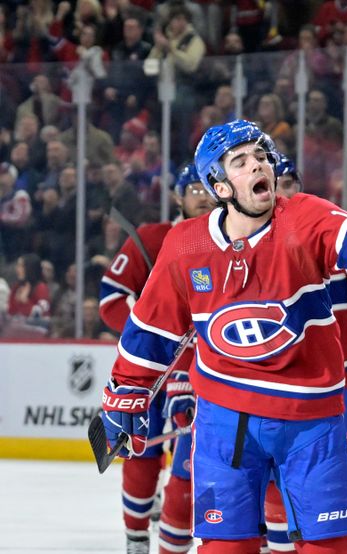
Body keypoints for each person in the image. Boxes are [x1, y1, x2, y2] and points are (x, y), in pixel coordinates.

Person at [99, 119, 347, 553]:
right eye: (240, 161)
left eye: (261, 156)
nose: (258, 166)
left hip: (311, 420)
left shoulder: (307, 217)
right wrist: (126, 389)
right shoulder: (185, 245)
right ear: (218, 187)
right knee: (224, 547)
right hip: (224, 422)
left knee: (332, 548)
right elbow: (152, 329)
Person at [262, 153, 347, 553]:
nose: (284, 189)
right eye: (278, 182)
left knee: (340, 512)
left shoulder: (320, 231)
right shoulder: (248, 248)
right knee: (274, 505)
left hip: (330, 390)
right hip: (271, 395)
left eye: (290, 181)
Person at [99, 163, 215, 554]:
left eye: (207, 188)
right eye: (192, 189)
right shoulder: (151, 237)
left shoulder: (234, 237)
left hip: (209, 372)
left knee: (191, 459)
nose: (202, 195)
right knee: (141, 450)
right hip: (153, 373)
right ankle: (136, 537)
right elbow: (111, 298)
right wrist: (151, 333)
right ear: (177, 197)